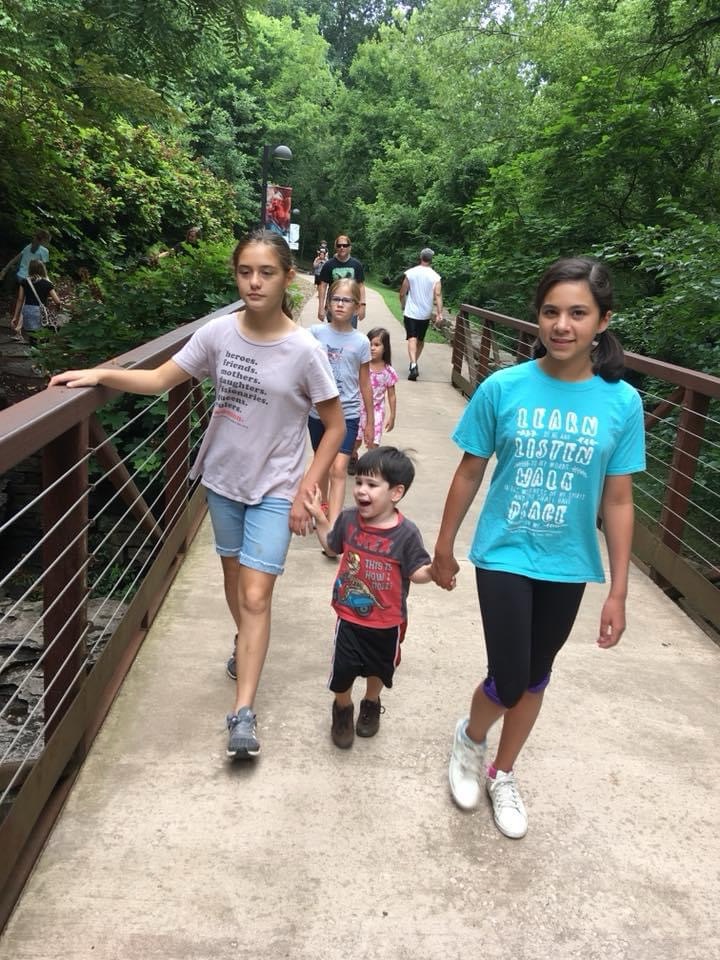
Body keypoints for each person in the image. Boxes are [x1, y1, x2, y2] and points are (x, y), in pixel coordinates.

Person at [48, 230, 346, 761]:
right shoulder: (218, 334)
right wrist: (100, 374)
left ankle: (243, 712)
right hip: (223, 479)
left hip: (277, 486)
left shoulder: (304, 351)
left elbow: (335, 425)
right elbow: (161, 379)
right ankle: (244, 641)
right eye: (245, 272)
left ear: (286, 277)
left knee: (256, 595)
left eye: (267, 273)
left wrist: (309, 484)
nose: (254, 283)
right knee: (234, 579)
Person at [431, 256, 646, 839]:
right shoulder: (503, 388)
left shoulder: (622, 402)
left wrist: (619, 591)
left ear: (603, 320)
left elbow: (618, 500)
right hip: (504, 551)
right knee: (509, 675)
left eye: (578, 313)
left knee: (535, 676)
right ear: (538, 317)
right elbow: (469, 471)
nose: (562, 325)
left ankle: (502, 772)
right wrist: (445, 546)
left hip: (568, 561)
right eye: (551, 312)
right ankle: (471, 738)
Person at [305, 447, 437, 748]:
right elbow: (331, 547)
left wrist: (434, 571)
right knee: (342, 671)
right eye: (359, 482)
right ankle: (342, 709)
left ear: (396, 492)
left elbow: (416, 571)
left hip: (387, 621)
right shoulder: (349, 520)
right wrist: (319, 517)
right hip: (349, 617)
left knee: (379, 669)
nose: (361, 490)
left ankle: (371, 703)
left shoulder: (406, 534)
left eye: (372, 485)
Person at [308, 278, 374, 530]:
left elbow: (365, 383)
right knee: (323, 464)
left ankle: (334, 527)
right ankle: (323, 507)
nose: (340, 304)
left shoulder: (362, 342)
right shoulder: (315, 334)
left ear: (357, 307)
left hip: (347, 413)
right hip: (318, 413)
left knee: (338, 468)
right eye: (335, 299)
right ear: (327, 303)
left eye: (347, 300)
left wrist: (370, 421)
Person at [348, 327, 398, 475]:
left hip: (376, 410)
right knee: (355, 440)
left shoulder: (388, 371)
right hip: (357, 407)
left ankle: (369, 465)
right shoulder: (361, 366)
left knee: (373, 442)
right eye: (370, 344)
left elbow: (392, 395)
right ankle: (352, 457)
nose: (372, 348)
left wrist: (392, 416)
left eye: (377, 345)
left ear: (385, 348)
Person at [399, 247, 442, 381]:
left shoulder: (411, 273)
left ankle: (413, 364)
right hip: (425, 313)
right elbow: (438, 294)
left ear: (420, 257)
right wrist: (439, 313)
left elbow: (402, 292)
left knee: (412, 337)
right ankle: (414, 363)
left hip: (411, 312)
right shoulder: (435, 276)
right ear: (431, 259)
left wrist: (403, 305)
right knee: (420, 340)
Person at [317, 235, 366, 328]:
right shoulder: (328, 265)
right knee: (333, 333)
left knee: (350, 333)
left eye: (345, 245)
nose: (342, 247)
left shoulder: (357, 265)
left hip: (351, 307)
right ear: (336, 247)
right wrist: (321, 307)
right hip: (333, 306)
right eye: (339, 245)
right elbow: (322, 286)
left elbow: (361, 286)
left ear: (350, 247)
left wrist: (362, 306)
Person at [11, 260, 62, 344]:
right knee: (44, 336)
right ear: (43, 269)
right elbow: (57, 301)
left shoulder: (24, 282)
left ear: (30, 269)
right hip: (40, 313)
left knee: (32, 337)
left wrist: (15, 317)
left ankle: (33, 348)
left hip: (27, 311)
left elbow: (20, 299)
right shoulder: (47, 284)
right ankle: (42, 348)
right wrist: (57, 309)